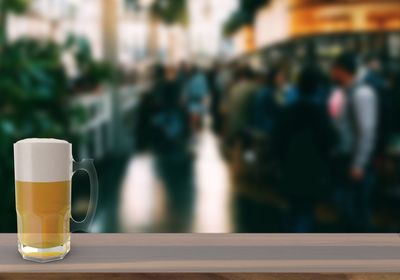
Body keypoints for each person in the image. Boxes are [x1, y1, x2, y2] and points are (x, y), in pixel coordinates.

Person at [273, 64, 337, 232]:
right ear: (317, 88)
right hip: (312, 173)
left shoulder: (289, 111)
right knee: (306, 213)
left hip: (289, 171)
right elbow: (331, 140)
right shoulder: (319, 114)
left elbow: (276, 141)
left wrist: (279, 164)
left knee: (293, 209)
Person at [330, 52, 378, 232]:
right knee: (350, 210)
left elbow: (367, 131)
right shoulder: (347, 93)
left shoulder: (361, 93)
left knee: (357, 212)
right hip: (346, 159)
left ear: (341, 70)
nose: (331, 74)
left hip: (355, 163)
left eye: (333, 70)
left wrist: (359, 164)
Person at [253, 66, 298, 134]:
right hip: (268, 128)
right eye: (280, 77)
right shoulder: (267, 93)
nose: (283, 79)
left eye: (283, 77)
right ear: (273, 78)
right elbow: (262, 116)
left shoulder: (276, 91)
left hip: (274, 127)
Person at [183, 66, 210, 132]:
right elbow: (205, 91)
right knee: (199, 116)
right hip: (200, 102)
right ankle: (198, 129)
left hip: (192, 102)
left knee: (193, 117)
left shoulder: (190, 79)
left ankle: (194, 130)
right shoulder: (202, 78)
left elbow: (187, 91)